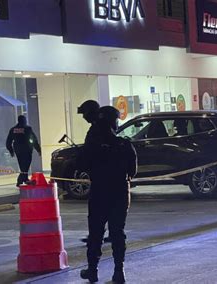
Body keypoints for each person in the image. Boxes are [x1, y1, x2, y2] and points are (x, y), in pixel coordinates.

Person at [79, 106, 137, 283]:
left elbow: (81, 165)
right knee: (117, 233)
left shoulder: (92, 144)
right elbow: (132, 171)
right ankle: (119, 271)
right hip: (119, 192)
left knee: (95, 233)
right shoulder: (124, 144)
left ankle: (93, 269)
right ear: (115, 122)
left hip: (99, 192)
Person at [77, 100, 113, 244]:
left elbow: (93, 152)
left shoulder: (98, 129)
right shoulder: (102, 127)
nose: (83, 117)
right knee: (107, 208)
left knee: (97, 210)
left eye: (84, 113)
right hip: (104, 175)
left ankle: (96, 237)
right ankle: (104, 234)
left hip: (102, 176)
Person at [6, 115, 41, 187]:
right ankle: (20, 180)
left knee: (22, 166)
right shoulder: (27, 128)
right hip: (27, 150)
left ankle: (25, 179)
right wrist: (38, 149)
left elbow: (8, 141)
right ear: (24, 120)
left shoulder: (13, 129)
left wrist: (11, 151)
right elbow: (33, 140)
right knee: (26, 166)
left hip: (18, 151)